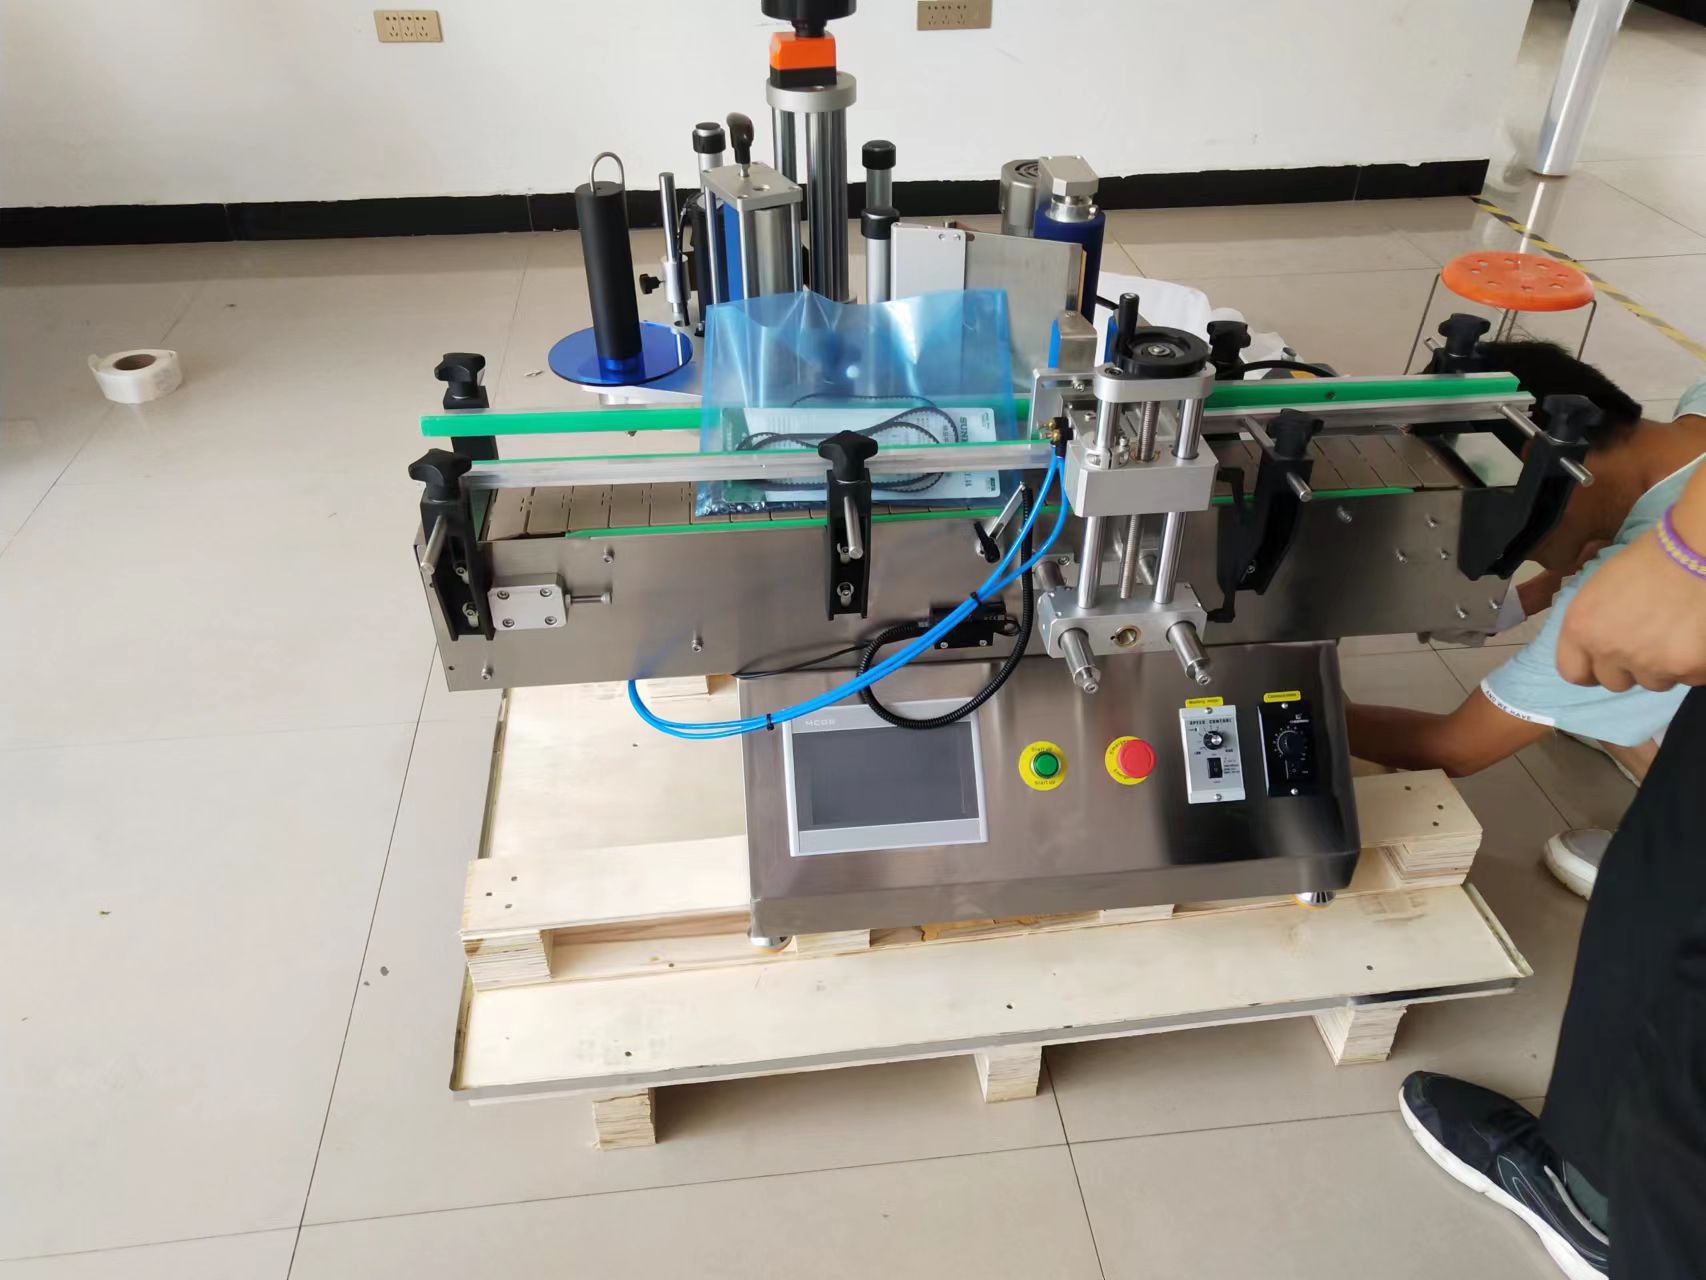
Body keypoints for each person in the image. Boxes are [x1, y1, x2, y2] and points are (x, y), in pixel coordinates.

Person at [1397, 373, 1706, 1277]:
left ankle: (1591, 1204)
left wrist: (1286, 712)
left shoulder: (1646, 564)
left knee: (1661, 946)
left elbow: (1452, 746)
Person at [1347, 349, 1706, 894]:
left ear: (1539, 462)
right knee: (1599, 683)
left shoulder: (1653, 586)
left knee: (1606, 663)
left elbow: (1455, 747)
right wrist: (1524, 600)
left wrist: (1295, 714)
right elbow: (1580, 563)